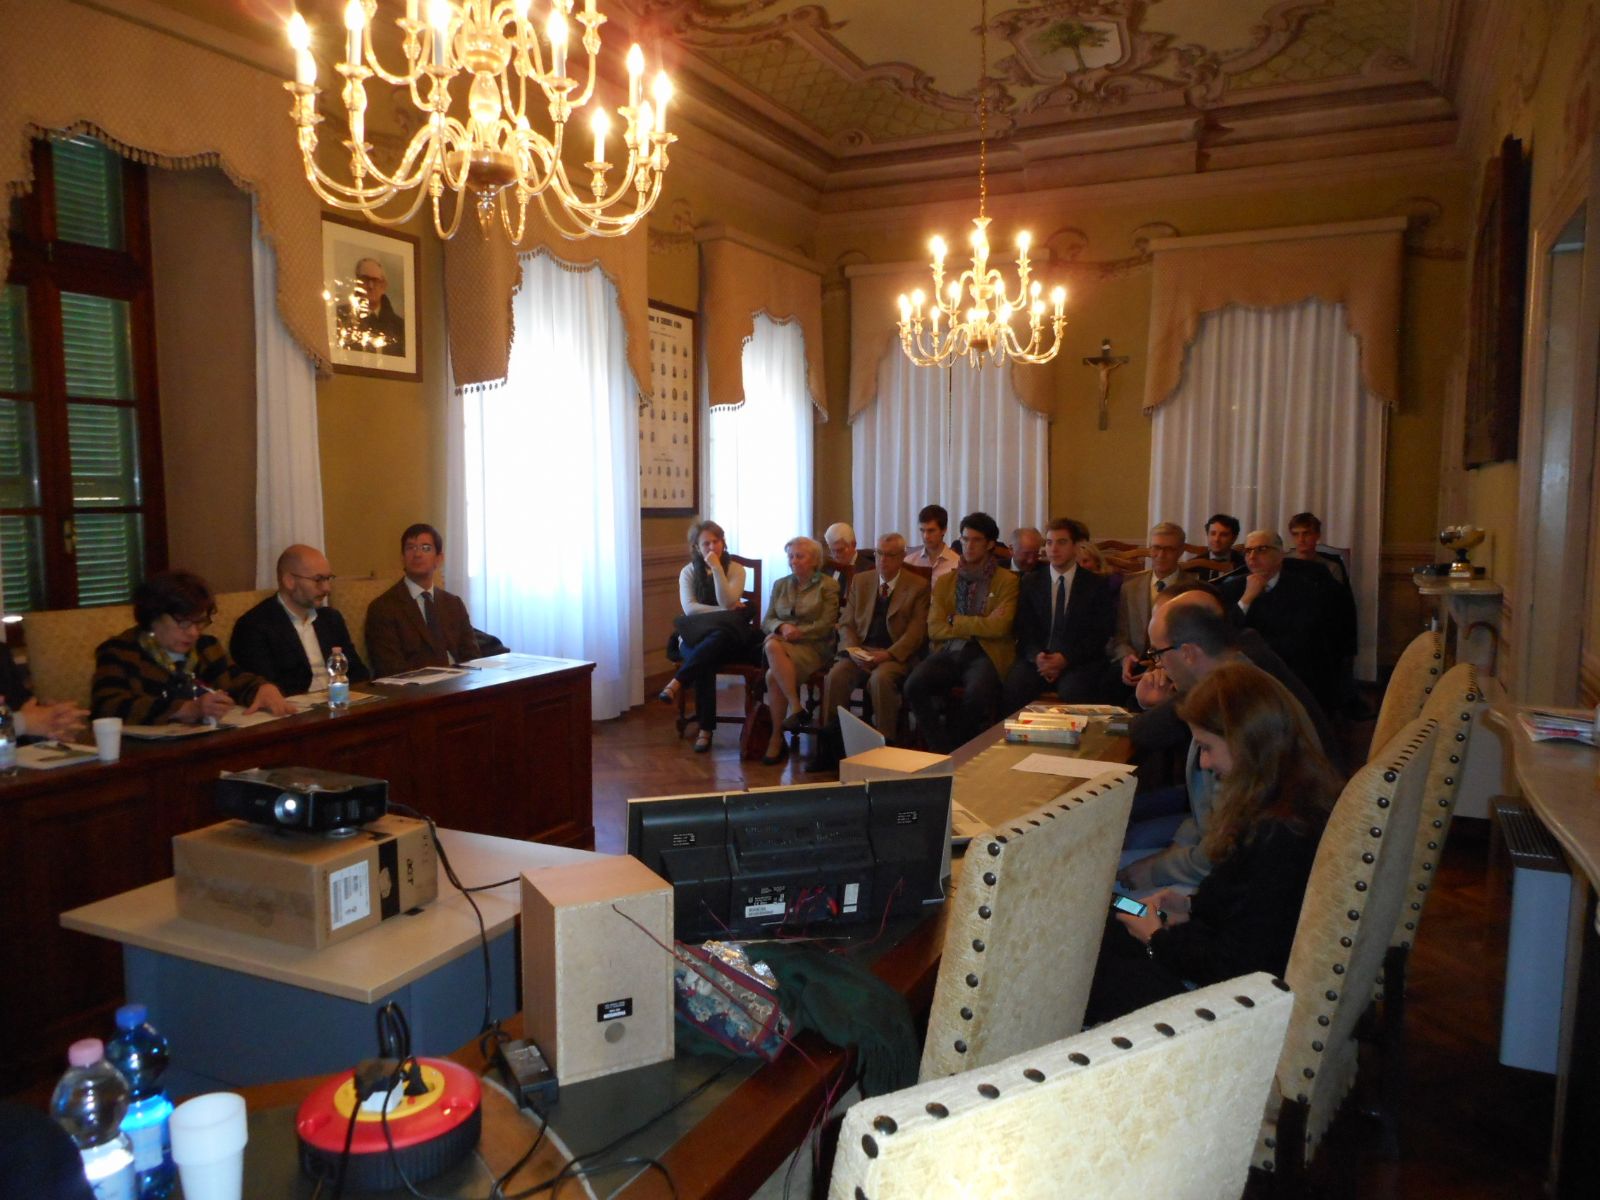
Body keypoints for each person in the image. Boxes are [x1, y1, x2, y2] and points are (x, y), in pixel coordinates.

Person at [1085, 662, 1338, 1024]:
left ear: (1246, 744)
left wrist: (1157, 937)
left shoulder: (1278, 836)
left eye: (1207, 747)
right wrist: (1189, 906)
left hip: (1224, 1005)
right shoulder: (1288, 803)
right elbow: (1251, 912)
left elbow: (1239, 966)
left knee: (1087, 961)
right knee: (1109, 912)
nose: (1203, 763)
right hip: (1207, 953)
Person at [1120, 588, 1340, 890]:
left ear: (1188, 653)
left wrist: (1154, 870)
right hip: (1224, 847)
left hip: (1244, 873)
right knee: (1125, 841)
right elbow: (1207, 809)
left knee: (1112, 871)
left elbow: (1226, 847)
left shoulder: (1234, 707)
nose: (1158, 665)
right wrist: (1176, 850)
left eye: (1158, 653)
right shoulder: (1232, 679)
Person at [91, 570, 294, 724]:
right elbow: (107, 706)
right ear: (154, 616)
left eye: (200, 623)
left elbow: (235, 679)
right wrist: (186, 709)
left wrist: (262, 689)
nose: (193, 633)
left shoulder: (206, 647)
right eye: (184, 623)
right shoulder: (120, 652)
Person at [808, 533, 930, 771]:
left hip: (894, 654)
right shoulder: (862, 580)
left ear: (902, 557)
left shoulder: (918, 586)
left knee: (880, 679)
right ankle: (832, 748)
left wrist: (888, 654)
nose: (883, 560)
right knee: (836, 676)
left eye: (890, 555)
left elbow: (916, 633)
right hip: (861, 651)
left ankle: (885, 748)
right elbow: (847, 623)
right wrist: (853, 649)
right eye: (879, 554)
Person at [903, 511, 1018, 753]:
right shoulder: (947, 581)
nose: (969, 545)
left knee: (977, 694)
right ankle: (943, 750)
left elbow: (1000, 626)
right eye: (965, 539)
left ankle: (961, 749)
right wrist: (979, 624)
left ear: (990, 544)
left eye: (976, 540)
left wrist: (955, 621)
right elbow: (934, 628)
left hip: (986, 652)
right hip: (950, 650)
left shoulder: (1006, 581)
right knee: (913, 684)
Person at [1221, 529, 1342, 717]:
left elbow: (1303, 639)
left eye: (1261, 549)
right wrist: (1246, 599)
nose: (1252, 556)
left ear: (1280, 555)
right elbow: (1224, 632)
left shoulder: (1304, 589)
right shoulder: (1232, 588)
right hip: (1243, 670)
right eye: (1248, 551)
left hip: (1290, 669)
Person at [1001, 517, 1115, 711]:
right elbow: (1023, 628)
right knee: (1015, 686)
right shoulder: (1031, 582)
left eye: (1061, 542)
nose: (1054, 549)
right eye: (1049, 542)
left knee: (1076, 690)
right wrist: (1037, 656)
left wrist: (1065, 658)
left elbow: (1099, 633)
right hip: (1039, 659)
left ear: (1076, 547)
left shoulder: (1095, 584)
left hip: (1078, 661)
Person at [660, 519, 753, 752]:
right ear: (696, 547)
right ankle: (705, 729)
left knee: (715, 641)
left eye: (716, 541)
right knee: (708, 653)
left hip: (728, 639)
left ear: (723, 542)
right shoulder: (688, 572)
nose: (712, 547)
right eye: (706, 544)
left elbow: (728, 599)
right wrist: (725, 612)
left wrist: (718, 569)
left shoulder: (736, 569)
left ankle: (679, 686)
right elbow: (690, 609)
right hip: (694, 634)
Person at [230, 544, 370, 696]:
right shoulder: (254, 626)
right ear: (289, 581)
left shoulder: (331, 619)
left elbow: (358, 673)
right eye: (318, 580)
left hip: (341, 702)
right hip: (296, 707)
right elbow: (267, 689)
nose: (327, 588)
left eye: (328, 578)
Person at [759, 536, 841, 765]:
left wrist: (798, 632)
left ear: (814, 560)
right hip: (783, 644)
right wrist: (782, 627)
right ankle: (795, 708)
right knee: (772, 645)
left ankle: (777, 737)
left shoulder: (828, 585)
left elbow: (827, 624)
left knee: (772, 671)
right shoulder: (780, 584)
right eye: (790, 556)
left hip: (815, 646)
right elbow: (767, 620)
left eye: (799, 556)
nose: (793, 561)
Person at [364, 523, 480, 677]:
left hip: (460, 683)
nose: (417, 554)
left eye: (426, 548)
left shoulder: (454, 604)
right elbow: (390, 669)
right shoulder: (383, 608)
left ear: (439, 559)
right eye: (410, 548)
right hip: (415, 687)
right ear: (402, 558)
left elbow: (472, 657)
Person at [1109, 521, 1187, 690]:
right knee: (1106, 684)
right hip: (1136, 660)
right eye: (1156, 548)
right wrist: (1126, 657)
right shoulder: (1130, 587)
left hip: (1173, 665)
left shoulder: (1192, 588)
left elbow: (1193, 640)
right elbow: (1120, 636)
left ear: (1181, 551)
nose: (1161, 555)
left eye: (1169, 549)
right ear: (1149, 549)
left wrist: (1162, 665)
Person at [0, 644, 86, 741]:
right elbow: (27, 720)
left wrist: (57, 721)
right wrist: (23, 723)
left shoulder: (2, 652)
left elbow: (22, 709)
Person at [336, 256, 405, 356]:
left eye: (375, 280)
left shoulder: (399, 327)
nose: (370, 286)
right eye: (365, 279)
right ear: (357, 282)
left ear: (383, 286)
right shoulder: (340, 317)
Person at [904, 504, 960, 583]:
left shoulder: (957, 564)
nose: (925, 536)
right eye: (922, 530)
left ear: (944, 530)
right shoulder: (909, 562)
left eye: (931, 531)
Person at [1184, 513, 1245, 579]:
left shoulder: (1244, 564)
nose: (1216, 539)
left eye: (1223, 535)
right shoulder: (1193, 565)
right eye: (1213, 534)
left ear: (1234, 538)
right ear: (1207, 535)